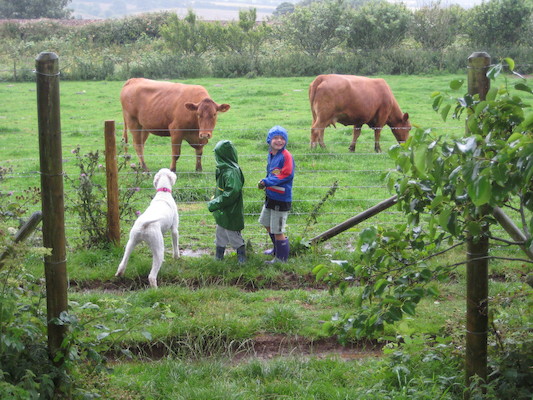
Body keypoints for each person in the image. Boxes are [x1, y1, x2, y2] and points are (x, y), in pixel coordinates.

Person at [258, 125, 295, 263]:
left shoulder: (286, 156)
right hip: (271, 196)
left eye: (282, 138)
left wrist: (266, 181)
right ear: (269, 140)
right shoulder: (272, 153)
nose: (279, 141)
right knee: (266, 223)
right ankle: (277, 249)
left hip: (281, 198)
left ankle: (281, 259)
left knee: (278, 229)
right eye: (275, 138)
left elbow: (286, 175)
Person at [207, 140, 246, 263]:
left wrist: (215, 202)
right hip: (224, 211)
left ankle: (242, 258)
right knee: (220, 234)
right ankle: (219, 256)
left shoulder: (230, 172)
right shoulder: (225, 170)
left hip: (231, 211)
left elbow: (231, 193)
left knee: (233, 235)